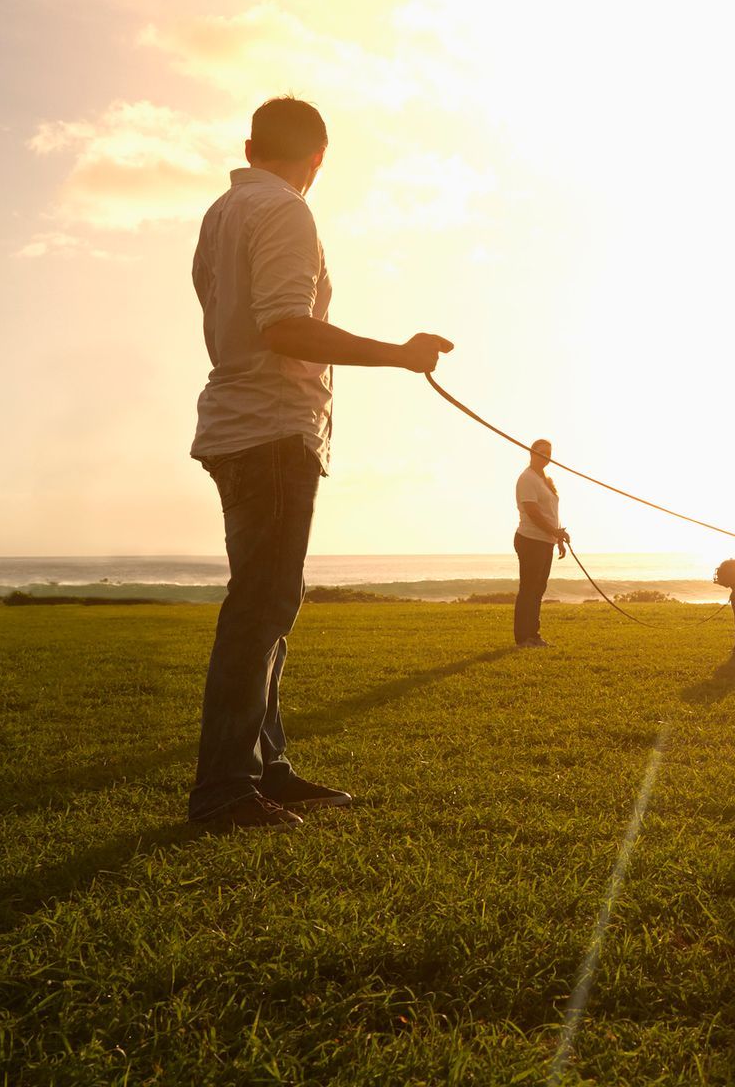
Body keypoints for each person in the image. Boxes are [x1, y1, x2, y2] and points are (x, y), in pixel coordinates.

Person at [188, 96, 453, 831]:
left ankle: (267, 770)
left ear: (250, 144)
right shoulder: (286, 212)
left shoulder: (221, 214)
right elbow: (283, 327)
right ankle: (224, 791)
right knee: (262, 607)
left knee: (270, 602)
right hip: (270, 430)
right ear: (319, 159)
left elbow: (232, 318)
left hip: (237, 427)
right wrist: (398, 355)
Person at [514, 437, 570, 648]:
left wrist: (558, 538)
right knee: (528, 589)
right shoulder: (527, 478)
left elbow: (551, 512)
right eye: (542, 452)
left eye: (549, 453)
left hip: (545, 540)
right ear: (532, 453)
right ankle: (523, 638)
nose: (546, 456)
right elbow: (533, 512)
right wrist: (553, 531)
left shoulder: (545, 479)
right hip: (530, 539)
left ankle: (534, 635)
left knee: (538, 590)